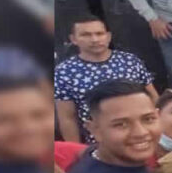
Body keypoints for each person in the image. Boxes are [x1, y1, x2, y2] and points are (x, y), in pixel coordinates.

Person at [55, 15, 157, 143]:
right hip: (99, 143)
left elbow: (153, 98)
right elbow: (67, 118)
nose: (94, 39)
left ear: (108, 36)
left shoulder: (130, 61)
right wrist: (75, 150)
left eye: (99, 33)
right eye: (86, 35)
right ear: (73, 39)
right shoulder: (64, 71)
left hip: (142, 135)